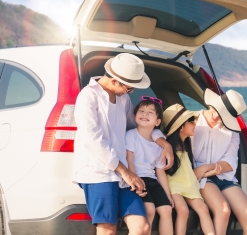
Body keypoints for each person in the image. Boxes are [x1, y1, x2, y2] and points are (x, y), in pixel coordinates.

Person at [72, 53, 173, 235]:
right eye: (129, 87)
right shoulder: (88, 96)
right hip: (98, 173)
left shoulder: (123, 99)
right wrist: (126, 173)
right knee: (108, 230)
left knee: (142, 227)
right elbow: (93, 140)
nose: (130, 92)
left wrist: (164, 142)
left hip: (122, 176)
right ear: (114, 81)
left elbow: (138, 126)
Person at [192, 89, 247, 235]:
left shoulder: (232, 131)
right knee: (223, 211)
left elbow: (230, 163)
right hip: (200, 178)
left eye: (223, 116)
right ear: (212, 104)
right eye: (216, 111)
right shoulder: (193, 120)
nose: (216, 117)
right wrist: (203, 171)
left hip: (224, 177)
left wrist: (207, 167)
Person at [162, 104, 217, 235]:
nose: (195, 124)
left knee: (203, 209)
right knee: (183, 210)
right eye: (191, 121)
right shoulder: (167, 146)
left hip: (189, 184)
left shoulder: (187, 144)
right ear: (181, 126)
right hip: (173, 185)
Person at [126, 97, 174, 235]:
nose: (145, 114)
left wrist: (167, 194)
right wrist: (135, 182)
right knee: (150, 209)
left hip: (152, 180)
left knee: (166, 210)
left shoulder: (159, 144)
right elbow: (129, 161)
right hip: (137, 177)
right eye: (141, 111)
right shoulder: (131, 135)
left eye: (150, 112)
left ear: (158, 122)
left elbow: (160, 171)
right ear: (134, 116)